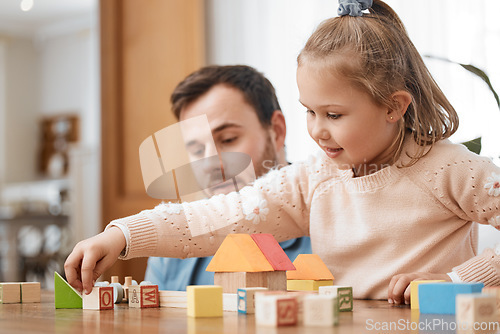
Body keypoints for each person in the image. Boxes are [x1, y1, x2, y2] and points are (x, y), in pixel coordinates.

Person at [64, 0, 500, 303]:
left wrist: (456, 280)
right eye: (308, 111)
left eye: (333, 114)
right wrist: (122, 234)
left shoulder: (449, 168)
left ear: (393, 106)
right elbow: (214, 218)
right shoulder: (311, 181)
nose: (316, 131)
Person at [143, 65, 312, 290]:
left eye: (228, 139)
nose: (211, 163)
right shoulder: (171, 251)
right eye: (196, 149)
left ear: (277, 131)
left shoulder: (335, 227)